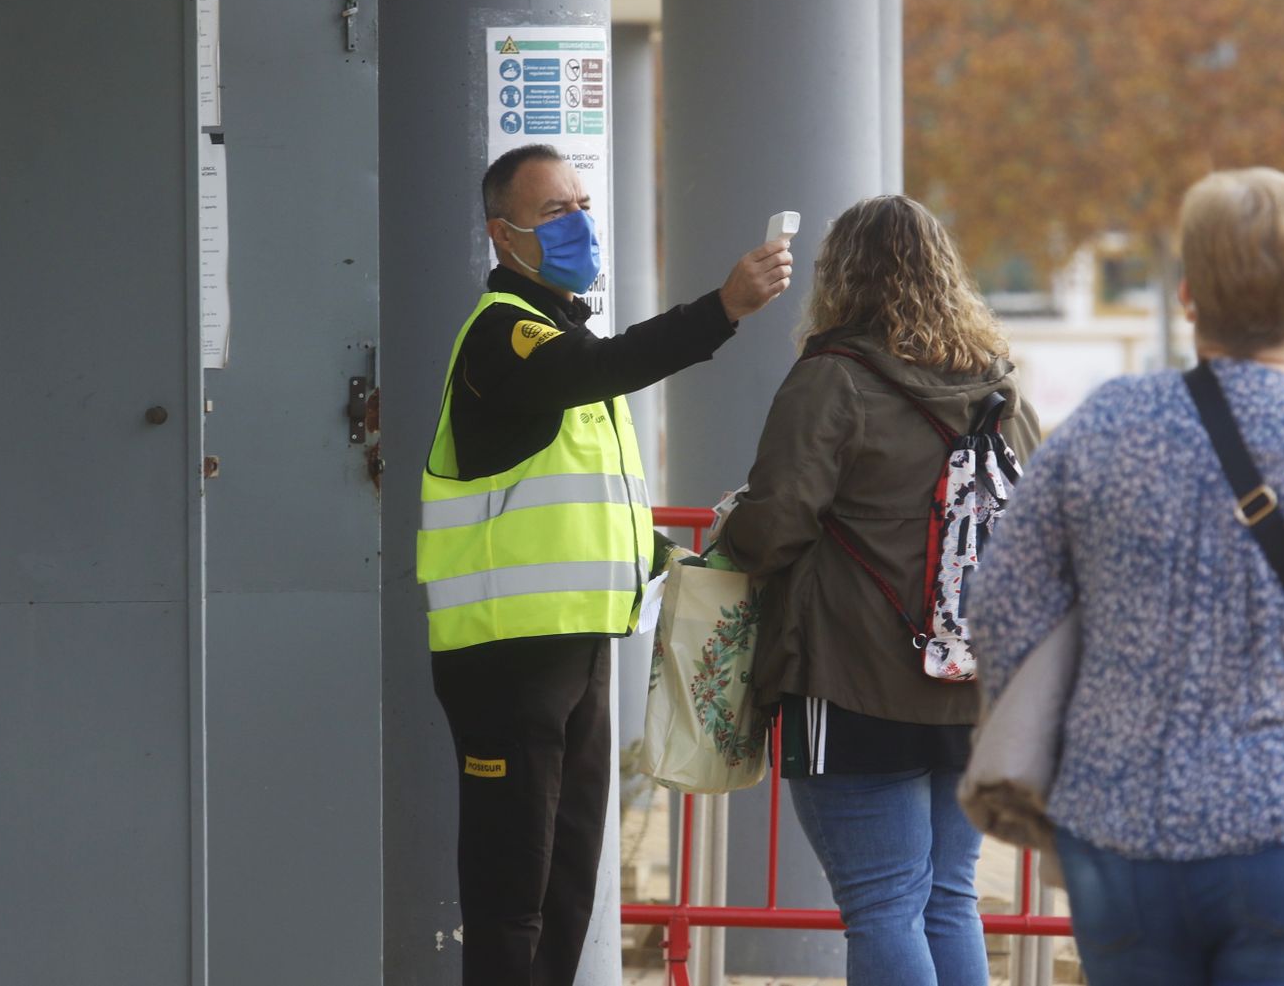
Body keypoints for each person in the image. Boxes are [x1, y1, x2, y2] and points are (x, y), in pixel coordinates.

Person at [971, 167, 1284, 985]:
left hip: (1123, 828)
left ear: (1188, 298)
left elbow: (1000, 600)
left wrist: (1066, 739)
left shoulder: (1106, 427)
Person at [418, 143, 792, 986]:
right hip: (504, 657)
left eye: (582, 203)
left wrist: (671, 558)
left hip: (575, 649)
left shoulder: (558, 342)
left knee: (565, 886)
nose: (579, 222)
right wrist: (721, 309)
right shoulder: (504, 339)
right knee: (510, 892)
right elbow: (595, 369)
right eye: (555, 211)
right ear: (501, 235)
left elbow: (583, 507)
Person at [719, 194, 1041, 986]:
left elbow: (774, 528)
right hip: (970, 682)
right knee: (947, 897)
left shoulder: (832, 377)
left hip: (851, 676)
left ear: (842, 277)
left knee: (882, 904)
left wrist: (734, 527)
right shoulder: (997, 387)